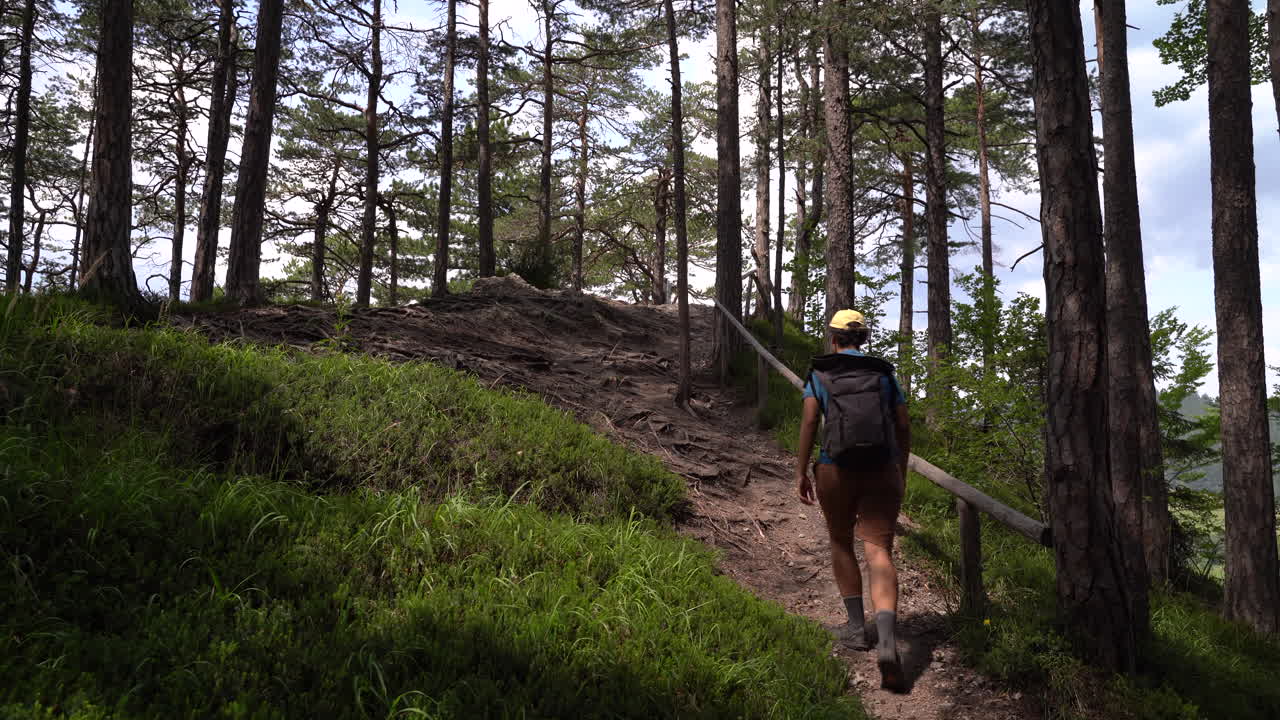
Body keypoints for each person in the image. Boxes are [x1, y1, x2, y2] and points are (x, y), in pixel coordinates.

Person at [795, 309, 911, 691]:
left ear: (833, 339)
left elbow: (811, 422)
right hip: (883, 468)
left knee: (841, 540)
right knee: (879, 549)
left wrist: (800, 471)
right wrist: (900, 468)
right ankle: (889, 643)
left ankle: (857, 629)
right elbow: (903, 424)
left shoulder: (821, 373)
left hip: (835, 468)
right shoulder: (883, 373)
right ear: (862, 339)